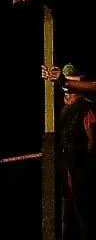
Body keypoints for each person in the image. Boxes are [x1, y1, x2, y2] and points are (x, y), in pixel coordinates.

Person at [51, 63, 95, 240]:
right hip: (66, 165)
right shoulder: (63, 108)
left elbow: (91, 140)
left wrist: (83, 163)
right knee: (66, 214)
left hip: (80, 167)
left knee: (83, 214)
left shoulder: (85, 107)